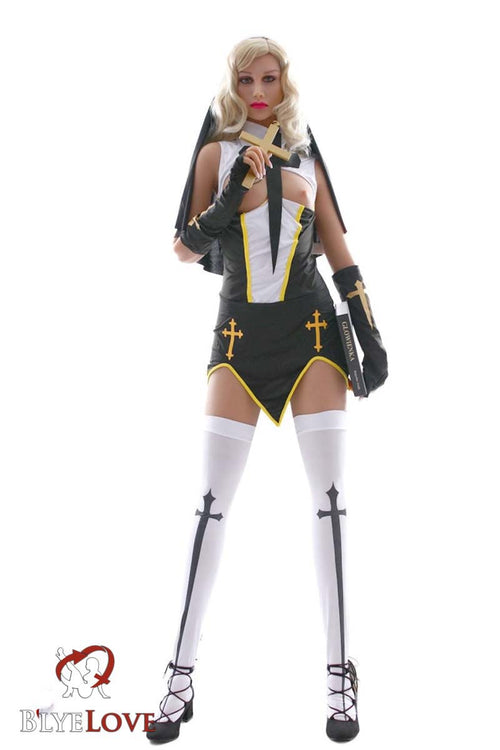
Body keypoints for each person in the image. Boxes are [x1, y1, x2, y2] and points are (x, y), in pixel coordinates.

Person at [146, 36, 388, 745]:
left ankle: (339, 676)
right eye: (247, 79)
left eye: (270, 78)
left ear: (285, 83)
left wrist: (369, 331)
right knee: (211, 506)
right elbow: (184, 248)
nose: (258, 91)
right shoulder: (215, 155)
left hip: (312, 332)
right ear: (233, 85)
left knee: (330, 503)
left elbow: (338, 251)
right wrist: (229, 195)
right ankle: (179, 676)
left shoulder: (307, 154)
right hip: (239, 335)